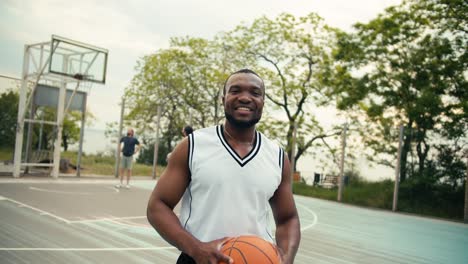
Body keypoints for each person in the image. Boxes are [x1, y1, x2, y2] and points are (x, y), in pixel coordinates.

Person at [147, 69, 301, 264]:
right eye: (235, 90)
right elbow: (157, 206)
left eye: (255, 93)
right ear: (223, 99)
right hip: (197, 259)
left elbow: (288, 218)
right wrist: (195, 248)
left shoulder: (277, 156)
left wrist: (286, 258)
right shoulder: (193, 146)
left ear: (263, 102)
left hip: (256, 259)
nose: (245, 98)